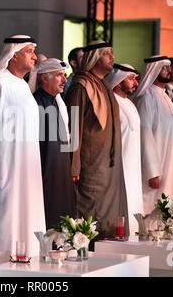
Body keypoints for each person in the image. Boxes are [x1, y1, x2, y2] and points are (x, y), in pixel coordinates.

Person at [0, 35, 46, 266]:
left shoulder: (22, 85)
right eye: (29, 52)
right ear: (13, 55)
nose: (34, 56)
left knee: (26, 218)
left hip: (26, 170)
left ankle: (26, 266)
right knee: (5, 224)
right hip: (3, 169)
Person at [65, 40, 128, 240]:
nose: (112, 57)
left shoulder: (103, 86)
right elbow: (73, 128)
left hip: (109, 164)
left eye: (111, 52)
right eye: (106, 53)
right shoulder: (81, 86)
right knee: (92, 213)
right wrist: (74, 166)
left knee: (110, 214)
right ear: (94, 58)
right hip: (91, 166)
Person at [131, 56, 173, 214]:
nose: (169, 71)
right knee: (156, 207)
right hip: (158, 168)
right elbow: (145, 135)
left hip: (172, 165)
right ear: (153, 70)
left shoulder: (166, 97)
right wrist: (152, 171)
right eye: (164, 68)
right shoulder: (146, 98)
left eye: (169, 67)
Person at [31, 58, 76, 229]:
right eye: (59, 75)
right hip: (45, 174)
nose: (65, 80)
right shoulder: (36, 103)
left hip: (62, 172)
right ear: (44, 78)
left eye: (64, 75)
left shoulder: (57, 102)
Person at [104, 63, 144, 235]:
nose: (135, 82)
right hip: (120, 165)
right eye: (130, 78)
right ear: (119, 81)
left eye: (135, 79)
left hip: (134, 164)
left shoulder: (130, 104)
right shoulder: (111, 102)